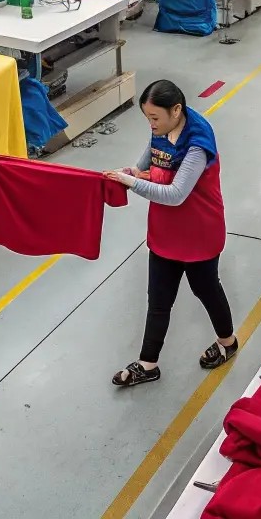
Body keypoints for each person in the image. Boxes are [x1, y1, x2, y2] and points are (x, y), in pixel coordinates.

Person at [105, 80, 236, 389]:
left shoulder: (196, 144)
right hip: (166, 232)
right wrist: (126, 173)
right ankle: (148, 364)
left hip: (198, 232)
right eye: (147, 118)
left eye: (155, 118)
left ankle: (227, 342)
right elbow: (141, 167)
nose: (151, 125)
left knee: (206, 290)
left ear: (176, 110)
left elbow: (176, 194)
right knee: (159, 300)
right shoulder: (162, 131)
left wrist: (131, 184)